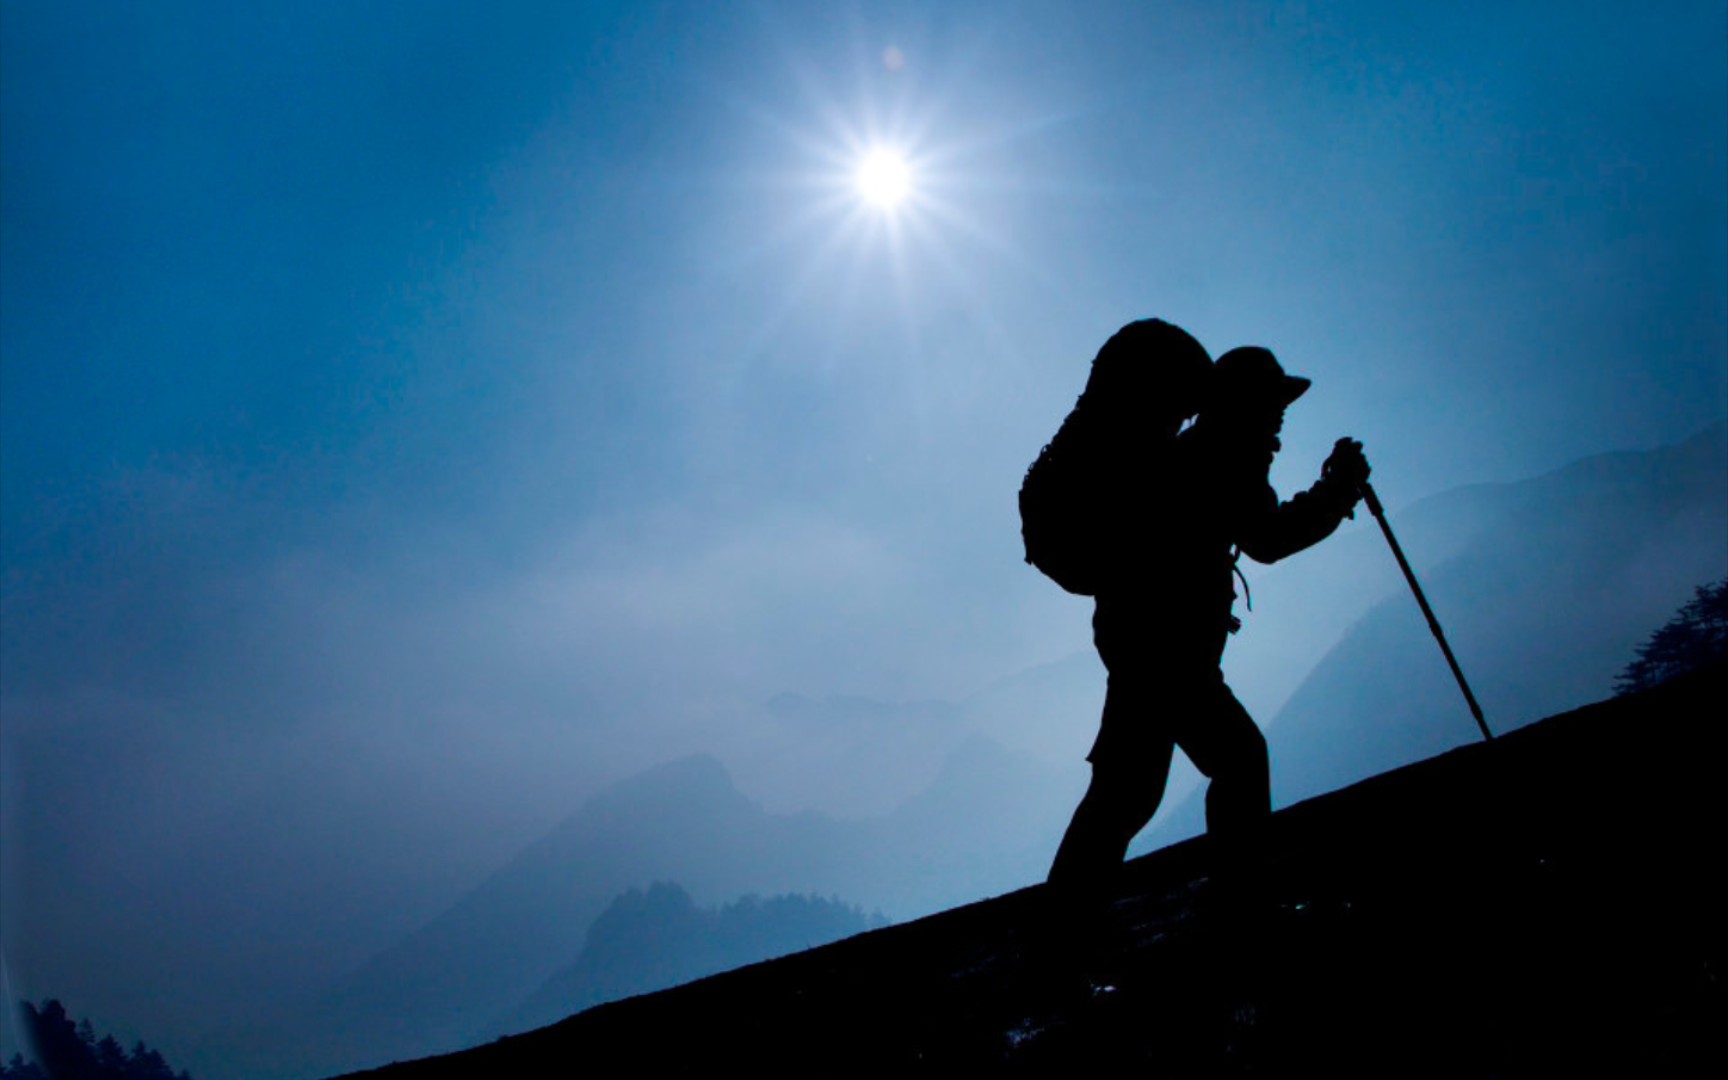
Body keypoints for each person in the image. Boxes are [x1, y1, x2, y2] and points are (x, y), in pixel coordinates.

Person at [1047, 343, 1370, 894]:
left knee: (1124, 798)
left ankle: (1058, 946)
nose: (1279, 418)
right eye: (1274, 405)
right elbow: (1268, 538)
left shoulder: (1195, 451)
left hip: (1140, 641)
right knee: (1236, 762)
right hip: (1168, 652)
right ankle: (1238, 913)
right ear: (1249, 404)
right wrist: (1338, 491)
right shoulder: (1225, 457)